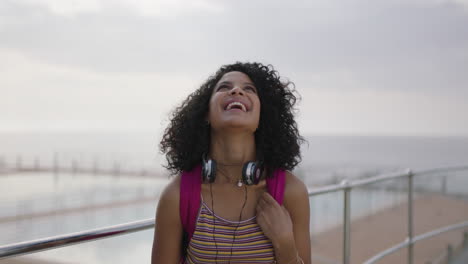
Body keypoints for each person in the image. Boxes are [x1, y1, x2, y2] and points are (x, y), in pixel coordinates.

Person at [151, 62, 311, 264]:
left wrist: (285, 244)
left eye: (249, 89)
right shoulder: (177, 195)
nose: (236, 90)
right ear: (206, 113)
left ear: (262, 116)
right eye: (224, 87)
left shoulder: (290, 192)